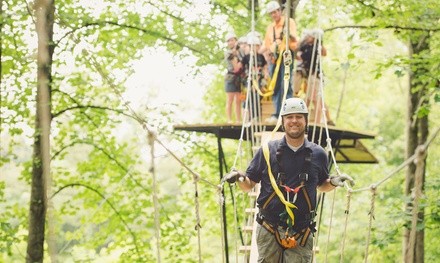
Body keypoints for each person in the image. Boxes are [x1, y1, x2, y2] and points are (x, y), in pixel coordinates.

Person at [223, 97, 354, 262]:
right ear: (283, 121)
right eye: (289, 117)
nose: (294, 121)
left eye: (299, 117)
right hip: (269, 226)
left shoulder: (318, 153)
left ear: (306, 121)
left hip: (301, 229)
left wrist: (334, 182)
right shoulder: (266, 151)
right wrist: (239, 177)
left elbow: (322, 185)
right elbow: (248, 185)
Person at [260, 1, 298, 124]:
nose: (274, 15)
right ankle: (276, 114)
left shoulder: (289, 22)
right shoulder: (270, 28)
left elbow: (295, 41)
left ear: (280, 11)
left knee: (285, 83)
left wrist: (288, 34)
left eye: (275, 12)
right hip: (274, 59)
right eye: (271, 13)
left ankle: (289, 113)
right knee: (276, 85)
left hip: (286, 55)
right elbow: (266, 45)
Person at [293, 29, 335, 126]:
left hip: (314, 76)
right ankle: (305, 119)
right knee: (309, 99)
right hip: (310, 76)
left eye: (310, 37)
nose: (307, 38)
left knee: (316, 100)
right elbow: (297, 51)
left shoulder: (315, 49)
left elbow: (300, 56)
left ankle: (317, 122)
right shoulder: (310, 47)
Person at [240, 31, 269, 122]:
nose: (254, 48)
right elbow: (241, 67)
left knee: (257, 98)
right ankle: (249, 117)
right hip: (249, 81)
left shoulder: (261, 57)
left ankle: (257, 117)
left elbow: (265, 67)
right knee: (249, 99)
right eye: (252, 46)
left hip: (259, 80)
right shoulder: (247, 57)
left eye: (256, 46)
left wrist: (265, 75)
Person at [224, 32, 243, 123]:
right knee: (230, 100)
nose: (231, 42)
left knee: (238, 100)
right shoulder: (228, 53)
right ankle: (229, 119)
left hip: (238, 78)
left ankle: (239, 120)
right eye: (229, 41)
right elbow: (236, 67)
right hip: (231, 77)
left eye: (232, 40)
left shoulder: (240, 53)